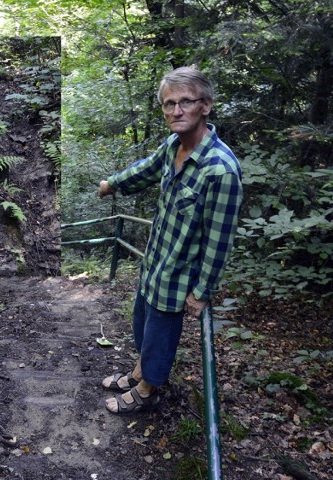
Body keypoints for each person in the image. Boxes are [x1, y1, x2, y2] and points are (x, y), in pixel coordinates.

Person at [98, 66, 243, 414]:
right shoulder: (172, 146)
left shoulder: (220, 170)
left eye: (185, 102)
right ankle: (140, 370)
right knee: (141, 326)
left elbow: (219, 240)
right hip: (154, 262)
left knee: (160, 337)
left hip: (178, 275)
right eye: (168, 104)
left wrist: (202, 291)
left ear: (205, 106)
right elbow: (146, 169)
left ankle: (148, 389)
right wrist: (113, 183)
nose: (175, 111)